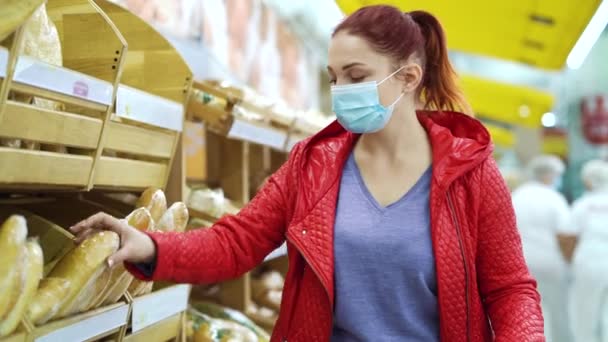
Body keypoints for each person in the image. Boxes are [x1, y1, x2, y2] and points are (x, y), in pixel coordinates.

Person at [71, 5, 544, 341]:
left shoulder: (469, 173)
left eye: (356, 76)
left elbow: (509, 288)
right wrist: (151, 245)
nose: (341, 91)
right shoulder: (313, 165)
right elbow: (237, 241)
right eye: (333, 77)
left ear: (407, 78)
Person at [512, 155, 573, 342]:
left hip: (522, 264)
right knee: (558, 312)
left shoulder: (517, 195)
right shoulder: (554, 198)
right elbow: (565, 234)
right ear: (549, 176)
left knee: (524, 314)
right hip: (551, 262)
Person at [569, 159, 608, 342]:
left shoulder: (582, 205)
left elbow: (569, 235)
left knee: (586, 312)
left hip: (589, 262)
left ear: (587, 180)